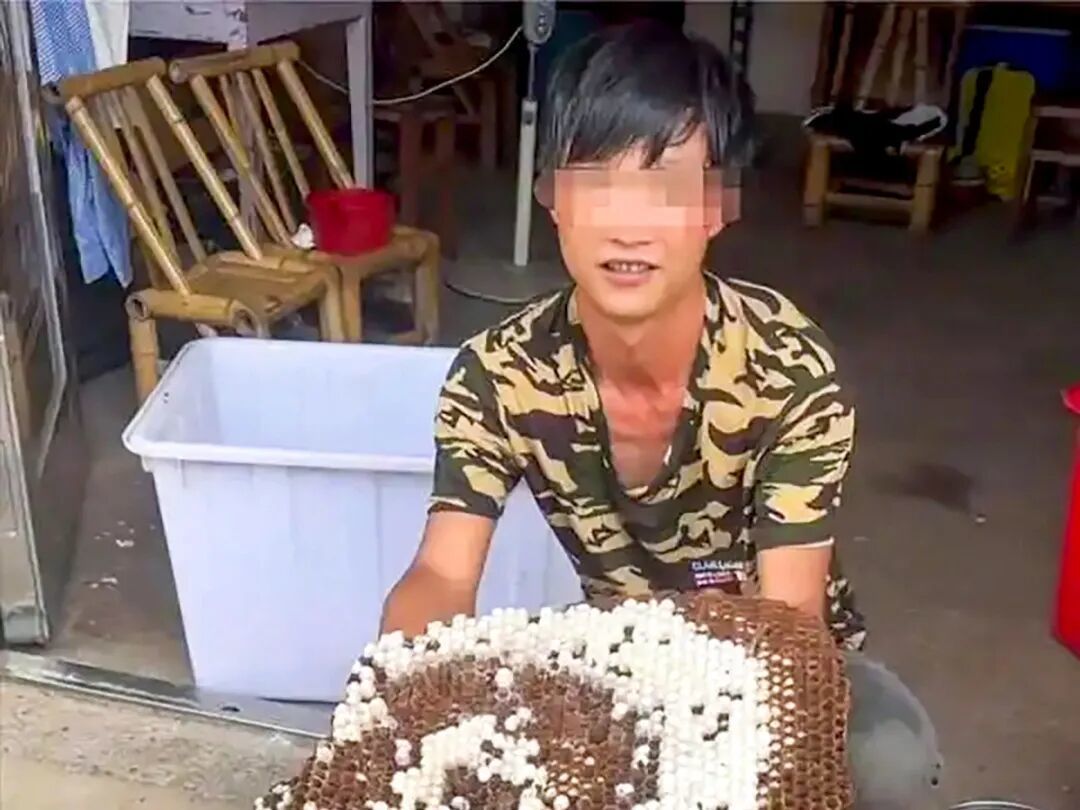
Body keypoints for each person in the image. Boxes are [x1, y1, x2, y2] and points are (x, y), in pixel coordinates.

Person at [382, 22, 942, 810]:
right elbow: (442, 573)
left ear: (719, 207)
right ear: (550, 198)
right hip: (617, 659)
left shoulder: (787, 367)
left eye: (668, 186)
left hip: (781, 662)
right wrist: (403, 688)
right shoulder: (496, 375)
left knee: (888, 762)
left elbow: (789, 620)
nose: (629, 226)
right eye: (596, 182)